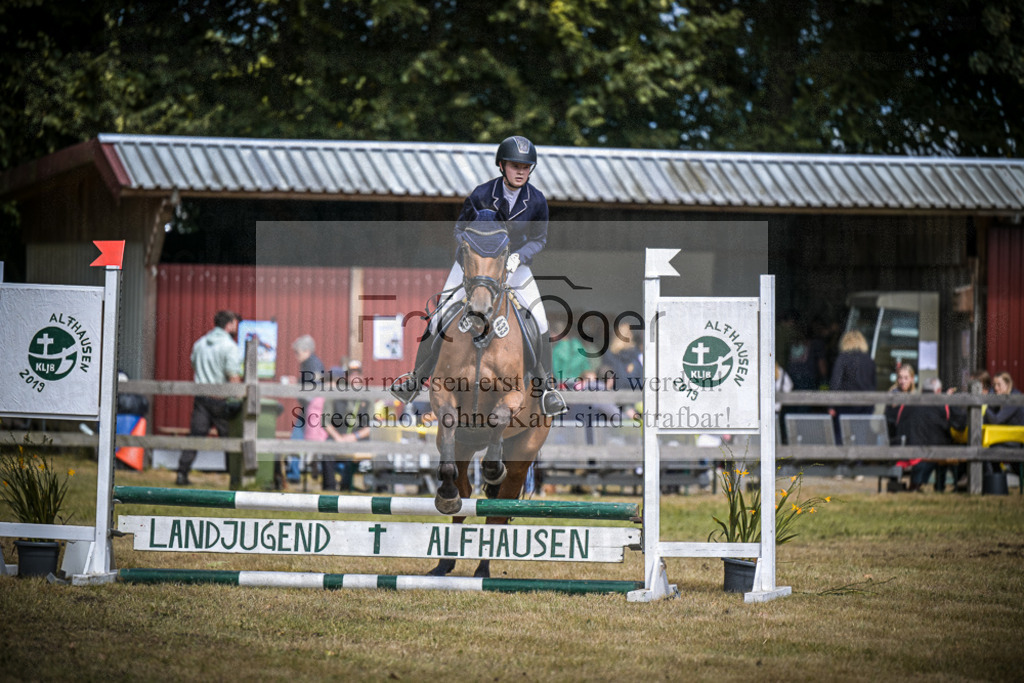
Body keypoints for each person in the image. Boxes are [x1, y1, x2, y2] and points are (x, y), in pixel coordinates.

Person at [389, 135, 567, 417]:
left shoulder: (537, 201)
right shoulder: (482, 194)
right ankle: (415, 378)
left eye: (526, 166)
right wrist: (474, 254)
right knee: (439, 317)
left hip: (514, 267)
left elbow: (540, 239)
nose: (521, 171)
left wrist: (519, 256)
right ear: (501, 165)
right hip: (473, 269)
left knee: (541, 320)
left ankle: (546, 389)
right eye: (514, 165)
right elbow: (459, 230)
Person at [177, 310, 242, 486]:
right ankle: (234, 477)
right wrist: (238, 396)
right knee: (229, 440)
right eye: (235, 323)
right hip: (221, 401)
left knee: (195, 436)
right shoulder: (230, 347)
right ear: (228, 325)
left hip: (202, 399)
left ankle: (182, 473)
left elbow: (193, 364)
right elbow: (233, 375)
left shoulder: (200, 343)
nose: (236, 327)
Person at [323, 359, 372, 491]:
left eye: (357, 374)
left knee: (369, 449)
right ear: (346, 377)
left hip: (359, 436)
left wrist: (355, 437)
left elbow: (372, 426)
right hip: (338, 433)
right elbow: (325, 421)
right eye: (351, 374)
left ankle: (347, 486)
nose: (355, 377)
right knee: (326, 448)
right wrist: (338, 438)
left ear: (361, 376)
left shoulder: (368, 396)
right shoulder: (335, 394)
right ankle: (329, 488)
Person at [828, 330, 877, 441]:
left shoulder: (843, 358)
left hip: (845, 405)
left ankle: (842, 457)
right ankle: (858, 458)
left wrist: (831, 405)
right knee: (861, 437)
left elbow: (835, 382)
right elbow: (874, 384)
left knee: (842, 436)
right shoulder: (869, 360)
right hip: (865, 406)